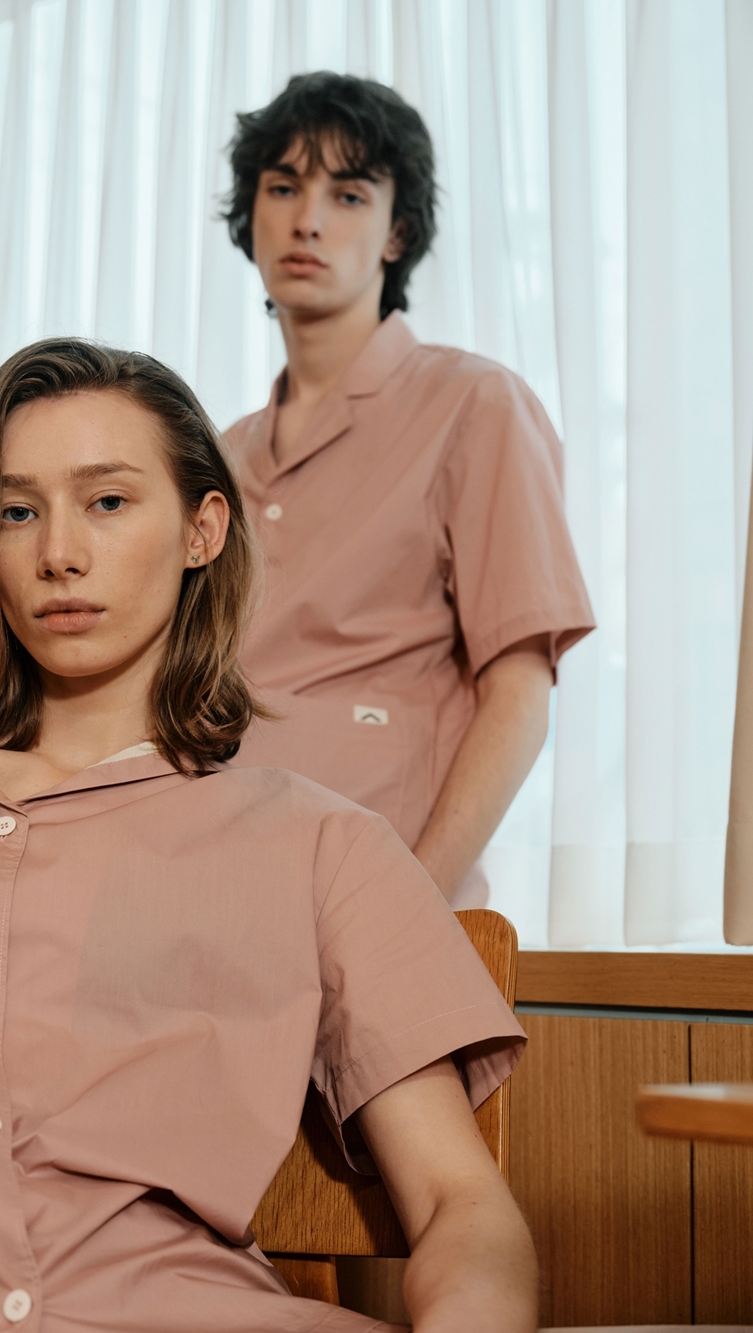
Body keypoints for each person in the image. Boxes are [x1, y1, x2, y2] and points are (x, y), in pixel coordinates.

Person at [0, 339, 535, 1331]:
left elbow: (462, 1206)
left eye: (108, 501)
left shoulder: (319, 846)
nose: (59, 553)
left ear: (203, 529)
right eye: (16, 511)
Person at [223, 72, 595, 906]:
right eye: (282, 187)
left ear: (398, 233)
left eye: (349, 195)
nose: (307, 219)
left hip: (375, 897)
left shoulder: (475, 405)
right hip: (214, 892)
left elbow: (519, 691)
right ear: (251, 214)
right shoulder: (217, 455)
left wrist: (407, 910)